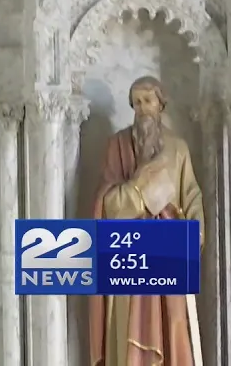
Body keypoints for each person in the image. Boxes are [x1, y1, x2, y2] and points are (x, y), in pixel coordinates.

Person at [88, 76, 204, 366]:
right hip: (129, 256)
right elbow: (106, 204)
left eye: (148, 101)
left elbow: (192, 198)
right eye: (136, 103)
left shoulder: (178, 149)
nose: (142, 109)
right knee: (128, 332)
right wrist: (138, 191)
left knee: (173, 326)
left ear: (161, 104)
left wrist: (192, 238)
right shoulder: (117, 146)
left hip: (167, 254)